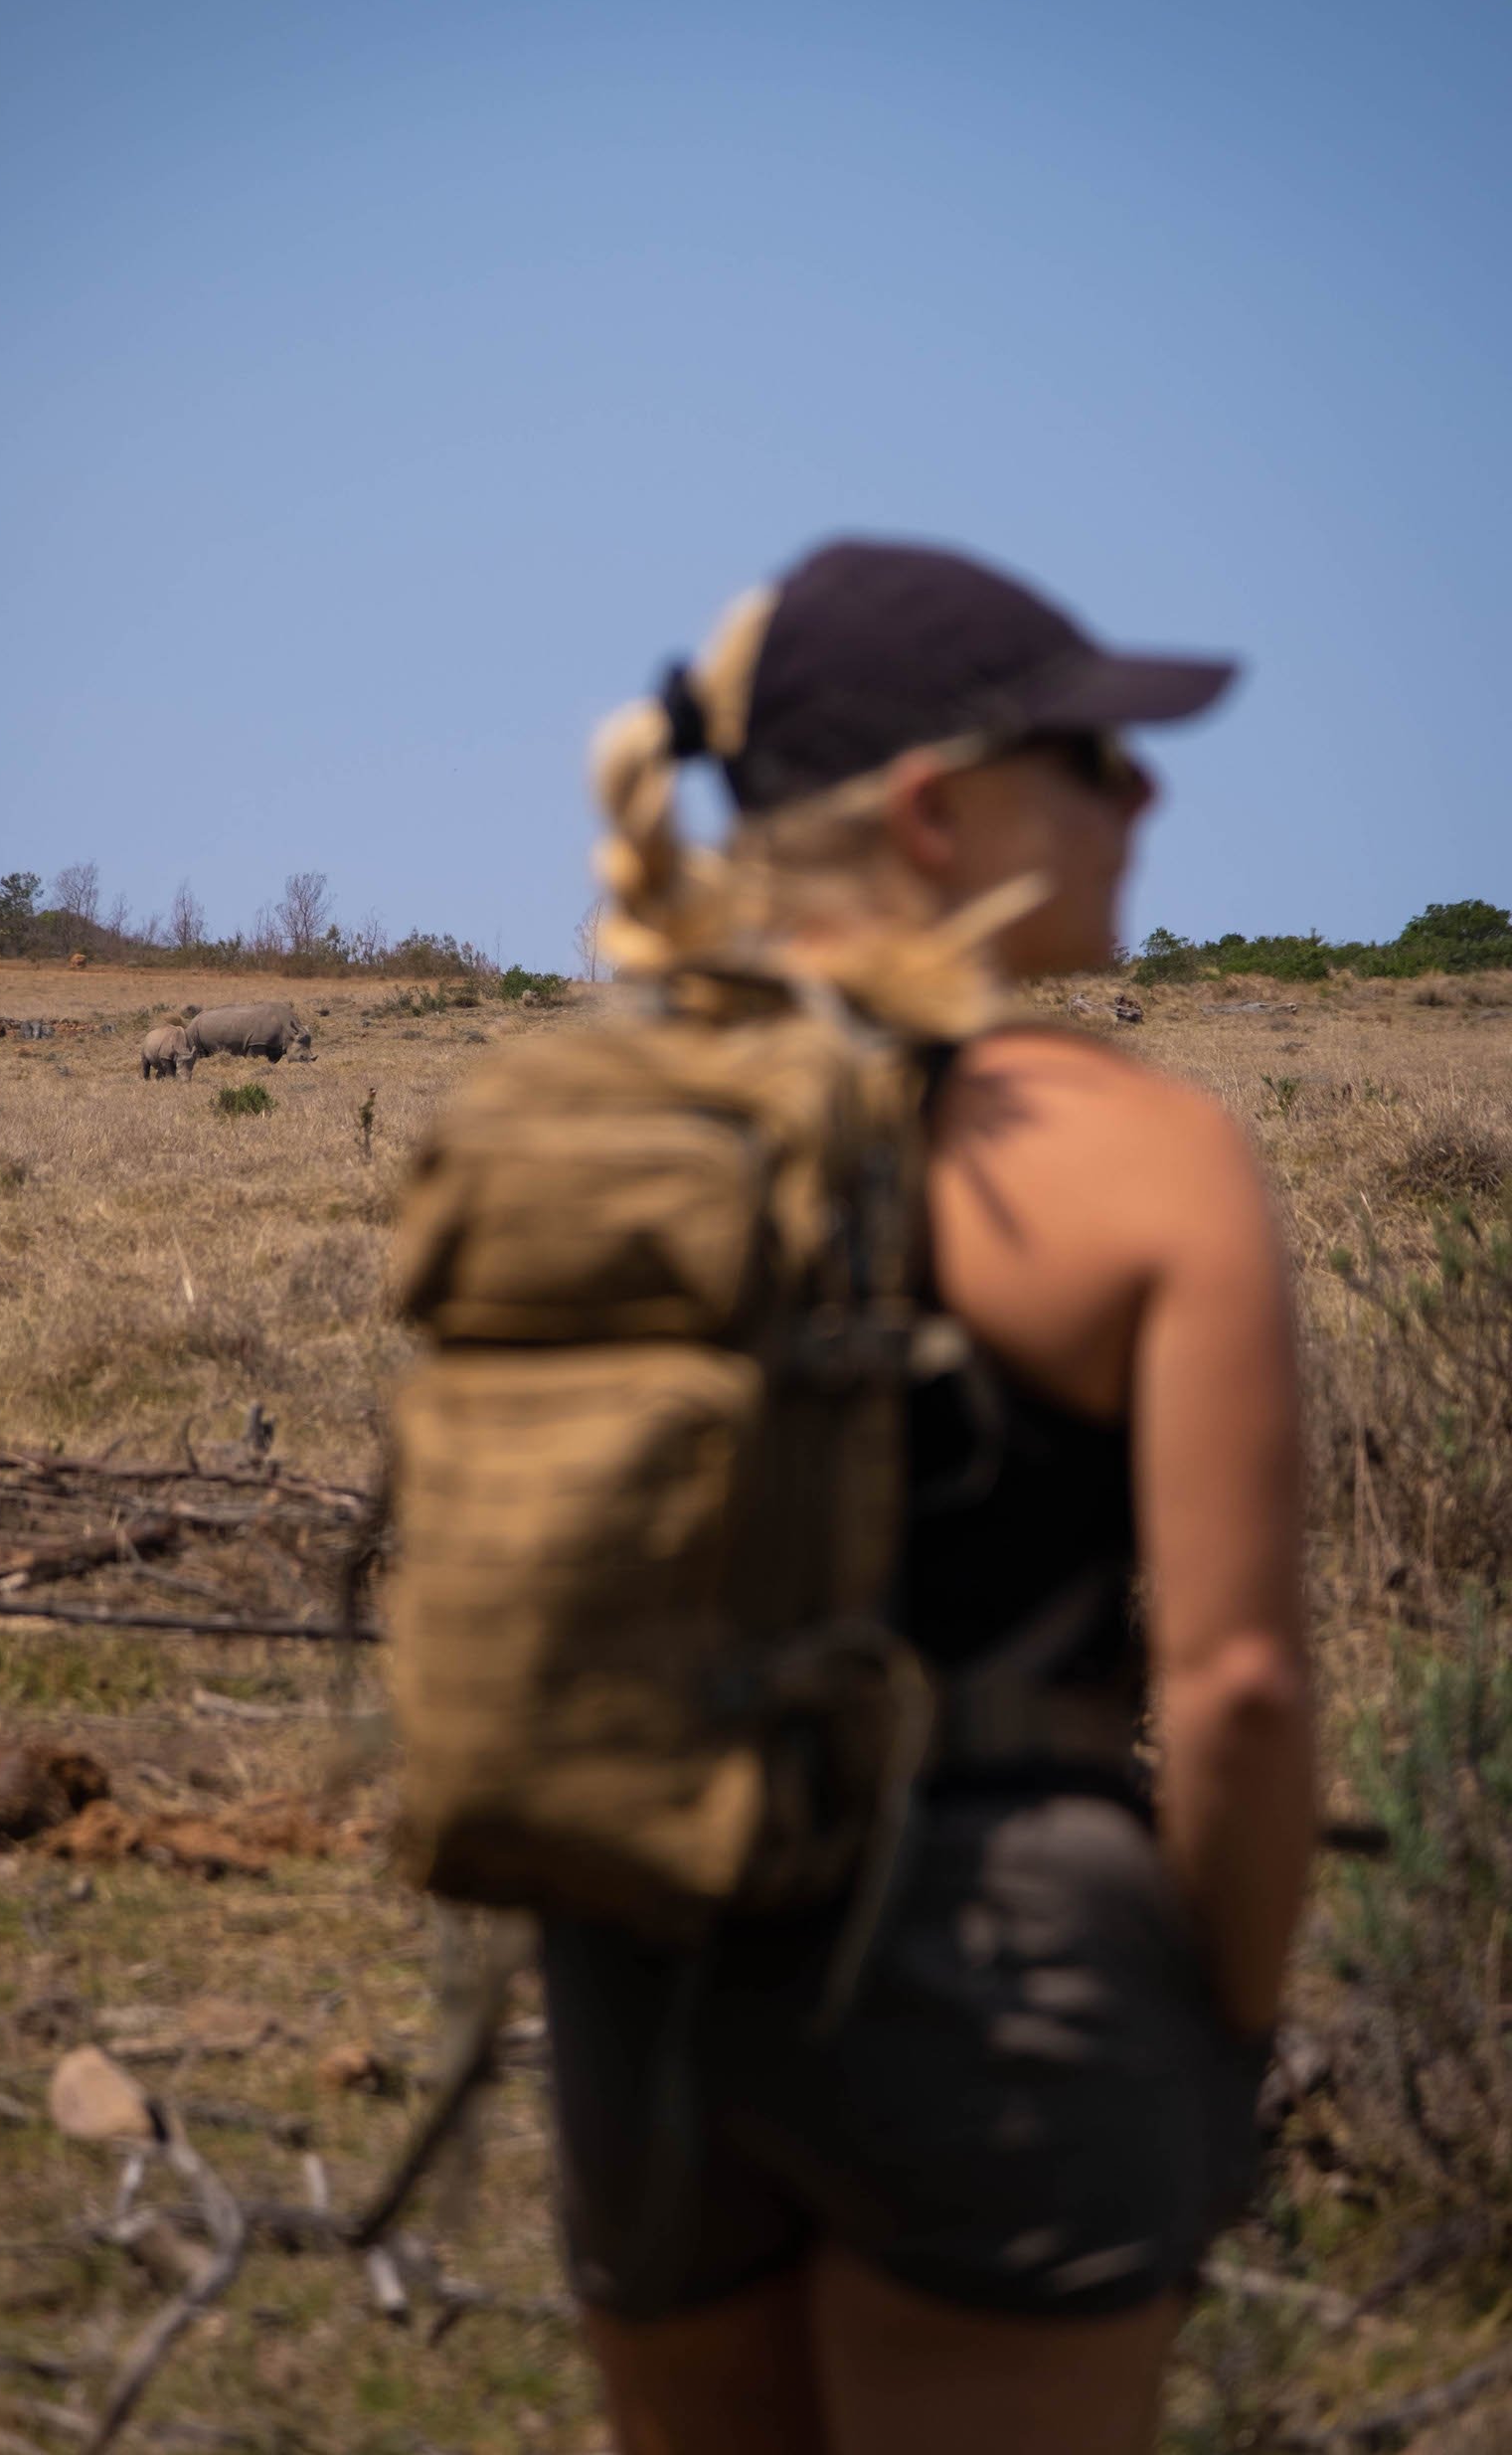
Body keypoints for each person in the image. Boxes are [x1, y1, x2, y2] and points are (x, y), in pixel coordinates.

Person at [542, 538, 1316, 2455]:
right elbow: (1236, 1696)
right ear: (935, 813)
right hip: (1005, 1961)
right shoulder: (1151, 1160)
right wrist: (1214, 2029)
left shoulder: (585, 1127)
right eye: (1093, 757)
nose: (1143, 799)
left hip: (643, 1957)